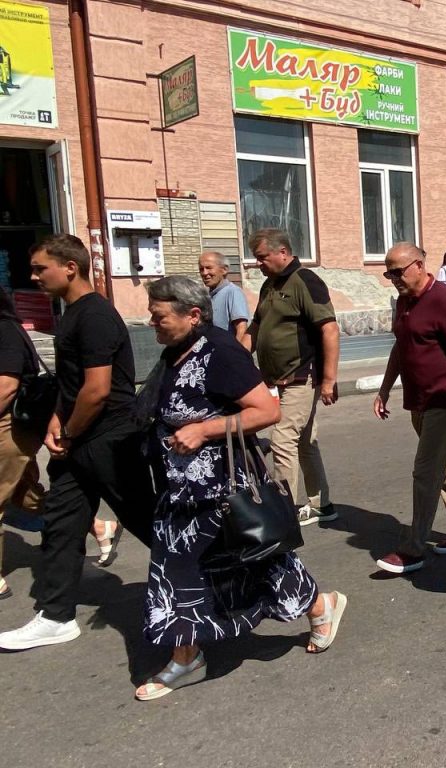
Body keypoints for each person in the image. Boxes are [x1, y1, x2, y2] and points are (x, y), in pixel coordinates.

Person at [134, 276, 345, 701]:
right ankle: (187, 655)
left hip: (220, 487)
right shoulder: (176, 350)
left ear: (193, 315)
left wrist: (203, 430)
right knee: (178, 567)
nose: (151, 323)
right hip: (181, 487)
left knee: (258, 560)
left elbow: (266, 411)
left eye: (159, 317)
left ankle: (320, 605)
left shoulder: (221, 351)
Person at [0, 235, 156, 651]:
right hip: (78, 442)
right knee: (61, 526)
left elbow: (97, 390)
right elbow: (70, 385)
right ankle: (56, 616)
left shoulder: (95, 315)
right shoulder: (72, 314)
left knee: (148, 521)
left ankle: (217, 581)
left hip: (110, 439)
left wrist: (68, 432)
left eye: (40, 268)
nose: (34, 276)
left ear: (70, 267)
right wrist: (56, 420)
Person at [373, 242, 446, 574]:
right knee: (445, 467)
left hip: (441, 401)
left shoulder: (444, 299)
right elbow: (401, 347)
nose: (394, 279)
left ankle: (414, 548)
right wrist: (385, 389)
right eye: (389, 274)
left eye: (398, 272)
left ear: (419, 265)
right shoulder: (404, 301)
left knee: (425, 472)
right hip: (417, 401)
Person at [245, 229, 339, 526]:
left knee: (283, 439)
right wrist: (236, 358)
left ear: (282, 252)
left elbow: (329, 329)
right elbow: (255, 327)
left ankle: (283, 512)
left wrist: (329, 379)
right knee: (305, 441)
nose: (258, 263)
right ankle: (322, 504)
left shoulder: (305, 281)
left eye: (262, 257)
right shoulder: (269, 285)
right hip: (278, 379)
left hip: (301, 376)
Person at [0, 287, 46, 599]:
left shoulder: (5, 330)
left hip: (9, 425)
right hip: (12, 429)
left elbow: (6, 386)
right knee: (25, 497)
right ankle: (97, 527)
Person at [198, 251, 249, 342]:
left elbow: (241, 328)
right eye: (201, 269)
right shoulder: (209, 296)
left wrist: (236, 350)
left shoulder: (232, 292)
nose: (204, 273)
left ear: (224, 270)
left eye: (209, 268)